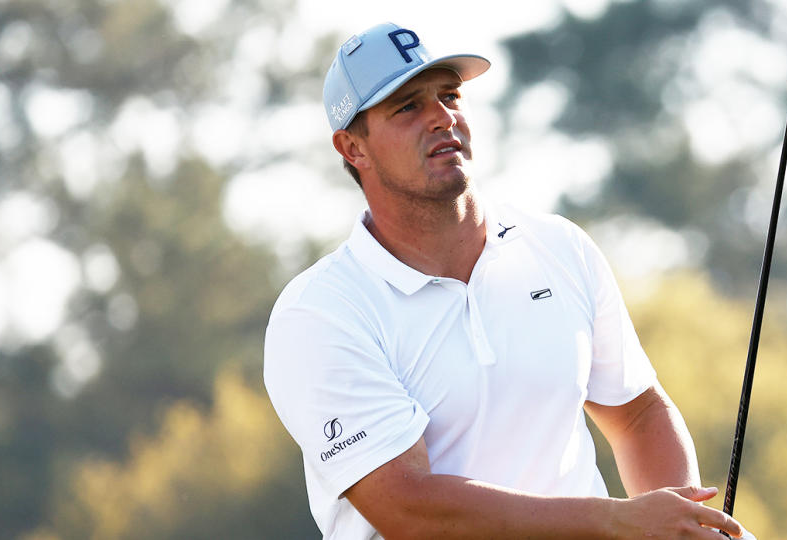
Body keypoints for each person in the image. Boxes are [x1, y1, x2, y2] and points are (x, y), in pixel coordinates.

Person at [264, 22, 751, 539]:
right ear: (352, 148)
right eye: (407, 106)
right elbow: (409, 508)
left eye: (450, 95)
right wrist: (620, 522)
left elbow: (636, 413)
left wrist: (683, 525)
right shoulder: (319, 313)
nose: (442, 117)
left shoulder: (559, 246)